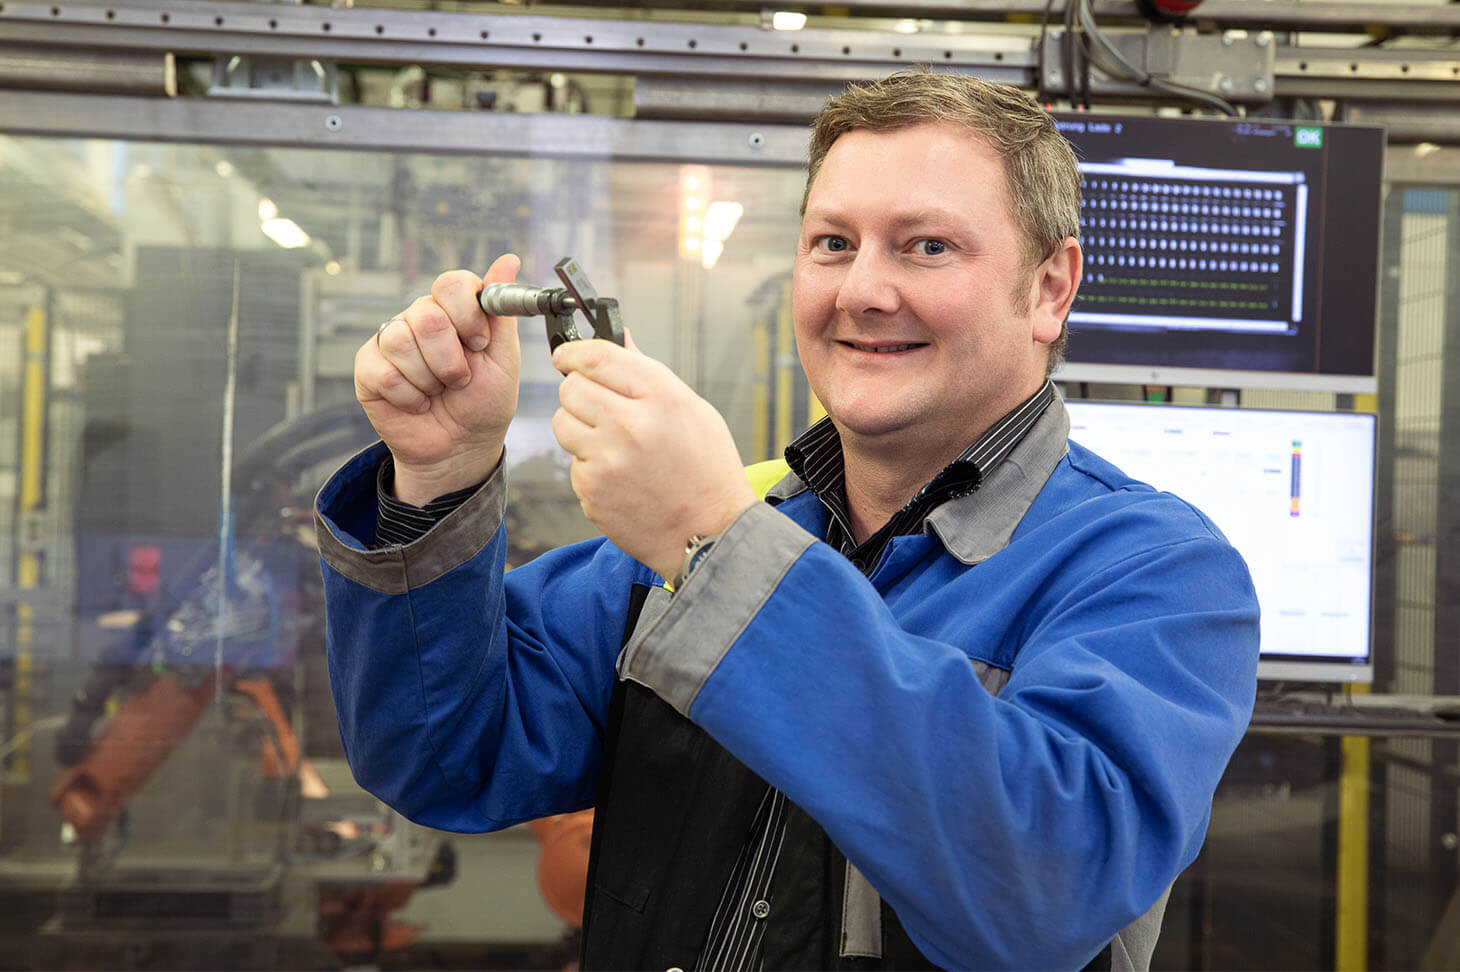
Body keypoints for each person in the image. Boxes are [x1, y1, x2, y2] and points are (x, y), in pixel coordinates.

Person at [314, 69, 1260, 971]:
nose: (862, 291)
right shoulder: (708, 536)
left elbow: (1040, 897)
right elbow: (443, 755)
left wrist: (718, 544)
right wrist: (436, 479)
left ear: (1050, 288)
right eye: (832, 243)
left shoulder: (1154, 573)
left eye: (928, 245)